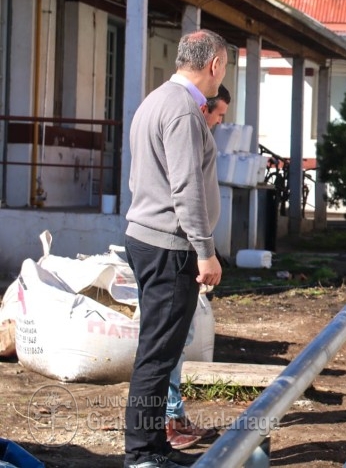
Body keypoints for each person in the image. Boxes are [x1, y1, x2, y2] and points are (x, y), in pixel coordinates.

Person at [124, 29, 226, 468]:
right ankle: (144, 454)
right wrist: (205, 250)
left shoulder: (156, 100)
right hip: (170, 245)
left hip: (148, 237)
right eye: (225, 66)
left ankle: (154, 448)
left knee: (158, 350)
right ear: (214, 65)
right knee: (158, 353)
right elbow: (185, 189)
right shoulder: (184, 111)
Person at [163, 83, 232, 451]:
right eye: (219, 114)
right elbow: (187, 194)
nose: (221, 122)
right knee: (172, 338)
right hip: (179, 248)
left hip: (183, 247)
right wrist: (204, 251)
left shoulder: (189, 129)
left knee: (178, 337)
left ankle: (171, 415)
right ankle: (166, 419)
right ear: (205, 108)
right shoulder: (185, 127)